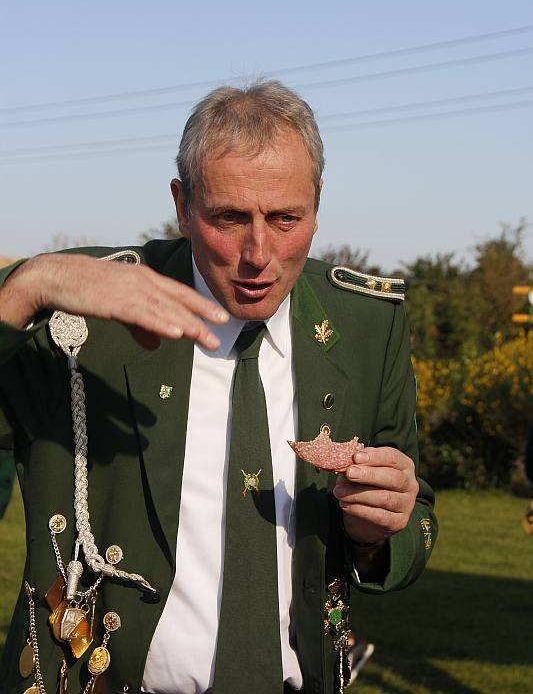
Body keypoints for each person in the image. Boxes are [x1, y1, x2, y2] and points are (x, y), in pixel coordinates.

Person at [0, 80, 437, 694]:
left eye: (286, 218)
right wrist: (25, 287)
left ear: (318, 202)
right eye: (230, 218)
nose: (258, 254)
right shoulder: (89, 313)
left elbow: (415, 517)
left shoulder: (368, 324)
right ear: (182, 205)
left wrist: (376, 534)